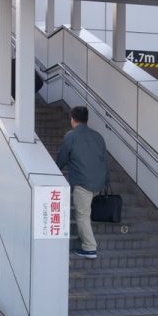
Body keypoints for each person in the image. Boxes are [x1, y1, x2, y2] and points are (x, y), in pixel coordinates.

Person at [56, 106, 110, 259]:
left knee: (82, 215)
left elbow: (63, 157)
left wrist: (55, 169)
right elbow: (105, 160)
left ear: (72, 119)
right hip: (99, 182)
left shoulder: (71, 136)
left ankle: (89, 248)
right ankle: (84, 236)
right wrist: (107, 180)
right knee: (86, 212)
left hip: (83, 182)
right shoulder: (98, 136)